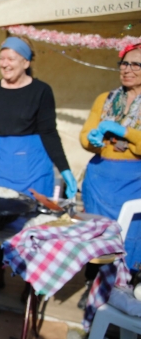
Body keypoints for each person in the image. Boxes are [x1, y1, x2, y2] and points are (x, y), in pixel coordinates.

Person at [0, 36, 77, 296]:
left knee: (32, 224)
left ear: (25, 62)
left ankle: (31, 283)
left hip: (30, 165)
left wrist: (64, 168)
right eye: (1, 59)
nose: (4, 64)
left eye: (10, 59)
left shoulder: (41, 91)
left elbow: (49, 132)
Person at [77, 43, 141, 308]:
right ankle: (93, 291)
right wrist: (93, 140)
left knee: (130, 239)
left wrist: (126, 133)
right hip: (100, 180)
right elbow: (85, 136)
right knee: (97, 237)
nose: (127, 70)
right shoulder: (105, 98)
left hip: (133, 182)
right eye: (124, 64)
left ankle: (126, 292)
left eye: (135, 64)